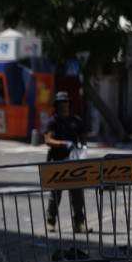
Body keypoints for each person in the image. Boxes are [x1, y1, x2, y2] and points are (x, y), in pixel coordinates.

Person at [43, 90, 89, 234]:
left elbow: (83, 137)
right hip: (58, 162)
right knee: (55, 195)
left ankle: (79, 224)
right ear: (57, 105)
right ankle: (51, 222)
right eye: (60, 102)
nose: (63, 105)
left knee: (77, 195)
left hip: (74, 163)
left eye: (65, 102)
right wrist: (63, 143)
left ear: (69, 103)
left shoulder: (76, 121)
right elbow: (48, 140)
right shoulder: (53, 121)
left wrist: (84, 147)